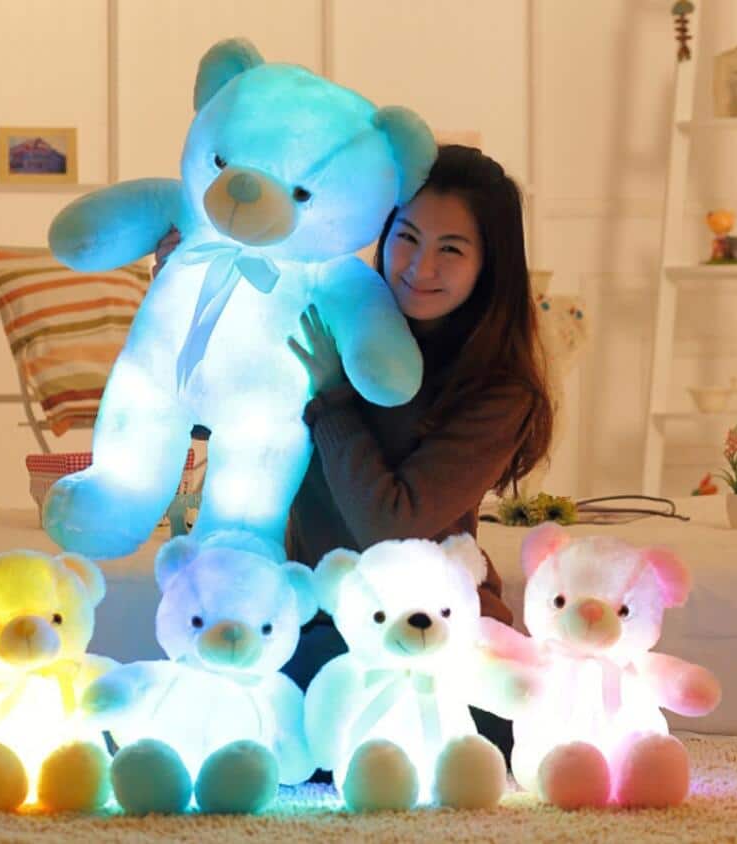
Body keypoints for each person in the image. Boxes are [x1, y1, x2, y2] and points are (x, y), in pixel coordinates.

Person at [153, 145, 554, 765]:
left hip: (432, 632)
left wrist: (334, 400)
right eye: (407, 237)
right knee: (196, 699)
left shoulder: (498, 391)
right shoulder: (332, 316)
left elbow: (389, 524)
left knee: (384, 710)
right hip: (317, 611)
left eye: (451, 249)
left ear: (488, 265)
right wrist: (183, 285)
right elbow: (216, 407)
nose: (420, 266)